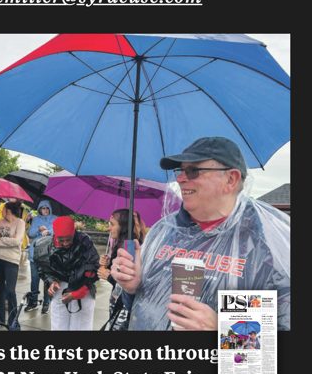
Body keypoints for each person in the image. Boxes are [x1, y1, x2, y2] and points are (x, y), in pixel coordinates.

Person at [111, 136, 290, 331]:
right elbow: (138, 310)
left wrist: (222, 330)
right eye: (180, 170)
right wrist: (131, 289)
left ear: (231, 179)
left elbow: (275, 339)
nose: (179, 178)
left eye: (193, 170)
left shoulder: (265, 247)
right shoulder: (163, 233)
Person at [33, 217, 100, 331]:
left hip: (82, 287)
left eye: (68, 239)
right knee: (59, 324)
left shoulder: (84, 242)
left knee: (81, 326)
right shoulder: (45, 246)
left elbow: (93, 270)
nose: (65, 243)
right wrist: (51, 281)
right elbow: (44, 269)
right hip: (60, 289)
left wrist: (77, 293)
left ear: (74, 232)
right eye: (61, 240)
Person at [97, 209, 146, 326]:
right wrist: (109, 263)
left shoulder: (132, 247)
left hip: (125, 306)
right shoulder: (120, 244)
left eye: (112, 224)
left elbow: (131, 282)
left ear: (123, 226)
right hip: (116, 301)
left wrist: (109, 276)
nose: (109, 228)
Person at [0, 201, 26, 329]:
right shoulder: (0, 223)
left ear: (8, 211)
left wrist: (3, 240)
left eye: (3, 210)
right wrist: (10, 240)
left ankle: (13, 320)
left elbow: (18, 241)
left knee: (10, 291)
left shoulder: (20, 223)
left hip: (12, 260)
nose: (1, 212)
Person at [24, 199, 58, 314]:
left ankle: (46, 302)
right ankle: (33, 301)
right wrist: (38, 229)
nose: (45, 210)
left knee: (47, 279)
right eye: (43, 208)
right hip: (35, 253)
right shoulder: (36, 219)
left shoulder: (55, 219)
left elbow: (58, 231)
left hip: (49, 254)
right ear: (39, 209)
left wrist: (48, 231)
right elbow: (30, 233)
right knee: (34, 278)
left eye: (47, 208)